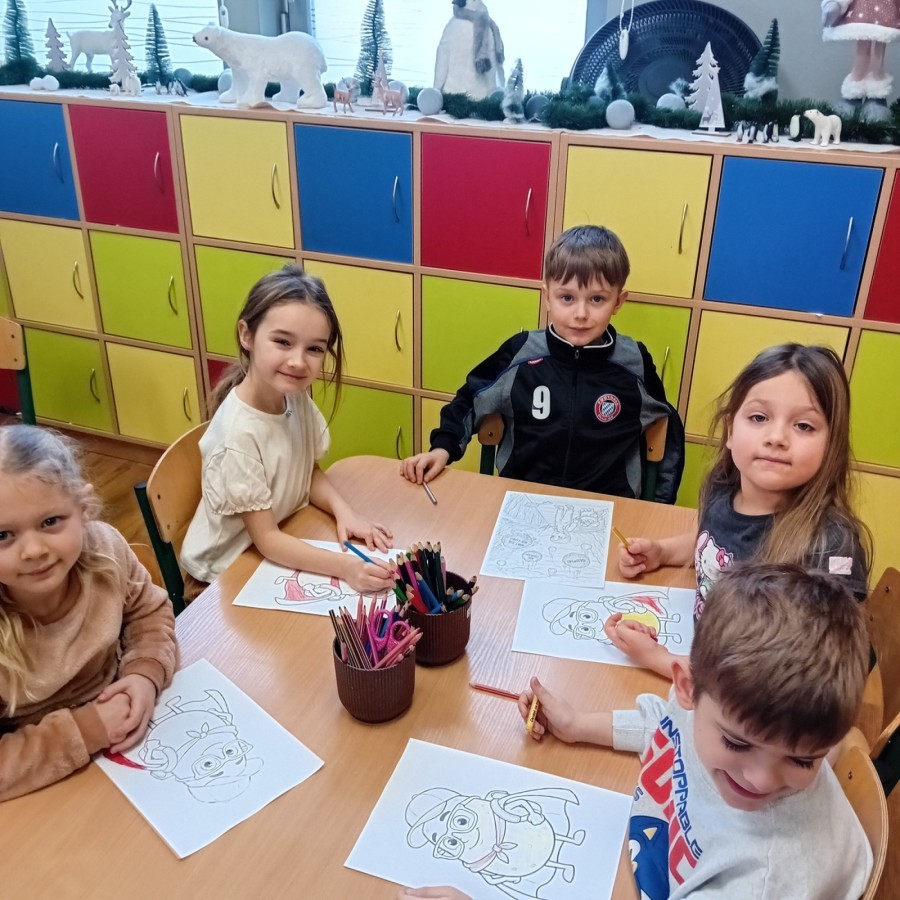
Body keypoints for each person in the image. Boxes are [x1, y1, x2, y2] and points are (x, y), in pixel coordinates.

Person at [401, 565, 872, 900]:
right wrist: (579, 725)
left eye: (802, 760)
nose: (763, 779)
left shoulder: (762, 881)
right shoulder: (717, 707)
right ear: (687, 687)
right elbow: (665, 726)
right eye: (736, 743)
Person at [609, 343, 870, 678]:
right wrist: (662, 552)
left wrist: (659, 659)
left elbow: (787, 683)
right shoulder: (725, 489)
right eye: (759, 418)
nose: (776, 437)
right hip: (703, 652)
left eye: (804, 426)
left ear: (832, 444)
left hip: (742, 695)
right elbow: (714, 539)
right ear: (731, 430)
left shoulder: (829, 547)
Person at [400, 225, 684, 502]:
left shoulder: (634, 361)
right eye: (567, 298)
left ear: (618, 302)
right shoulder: (520, 352)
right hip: (523, 501)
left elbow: (666, 427)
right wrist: (442, 449)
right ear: (547, 297)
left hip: (607, 508)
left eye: (597, 299)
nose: (581, 313)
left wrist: (658, 505)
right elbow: (470, 399)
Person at [181, 265, 395, 596]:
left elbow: (307, 471)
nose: (298, 361)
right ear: (246, 335)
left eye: (314, 348)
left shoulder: (294, 397)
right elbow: (267, 539)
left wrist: (346, 513)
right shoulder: (237, 435)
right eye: (282, 342)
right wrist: (347, 567)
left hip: (277, 540)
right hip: (219, 577)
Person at [0, 425, 177, 802]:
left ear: (83, 510)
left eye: (50, 522)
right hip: (41, 787)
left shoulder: (106, 550)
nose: (34, 551)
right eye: (3, 536)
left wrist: (145, 673)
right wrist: (86, 730)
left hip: (136, 745)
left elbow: (149, 613)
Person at [822, 0, 899, 119]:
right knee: (863, 47)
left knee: (880, 44)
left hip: (887, 9)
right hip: (863, 10)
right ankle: (854, 93)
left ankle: (876, 96)